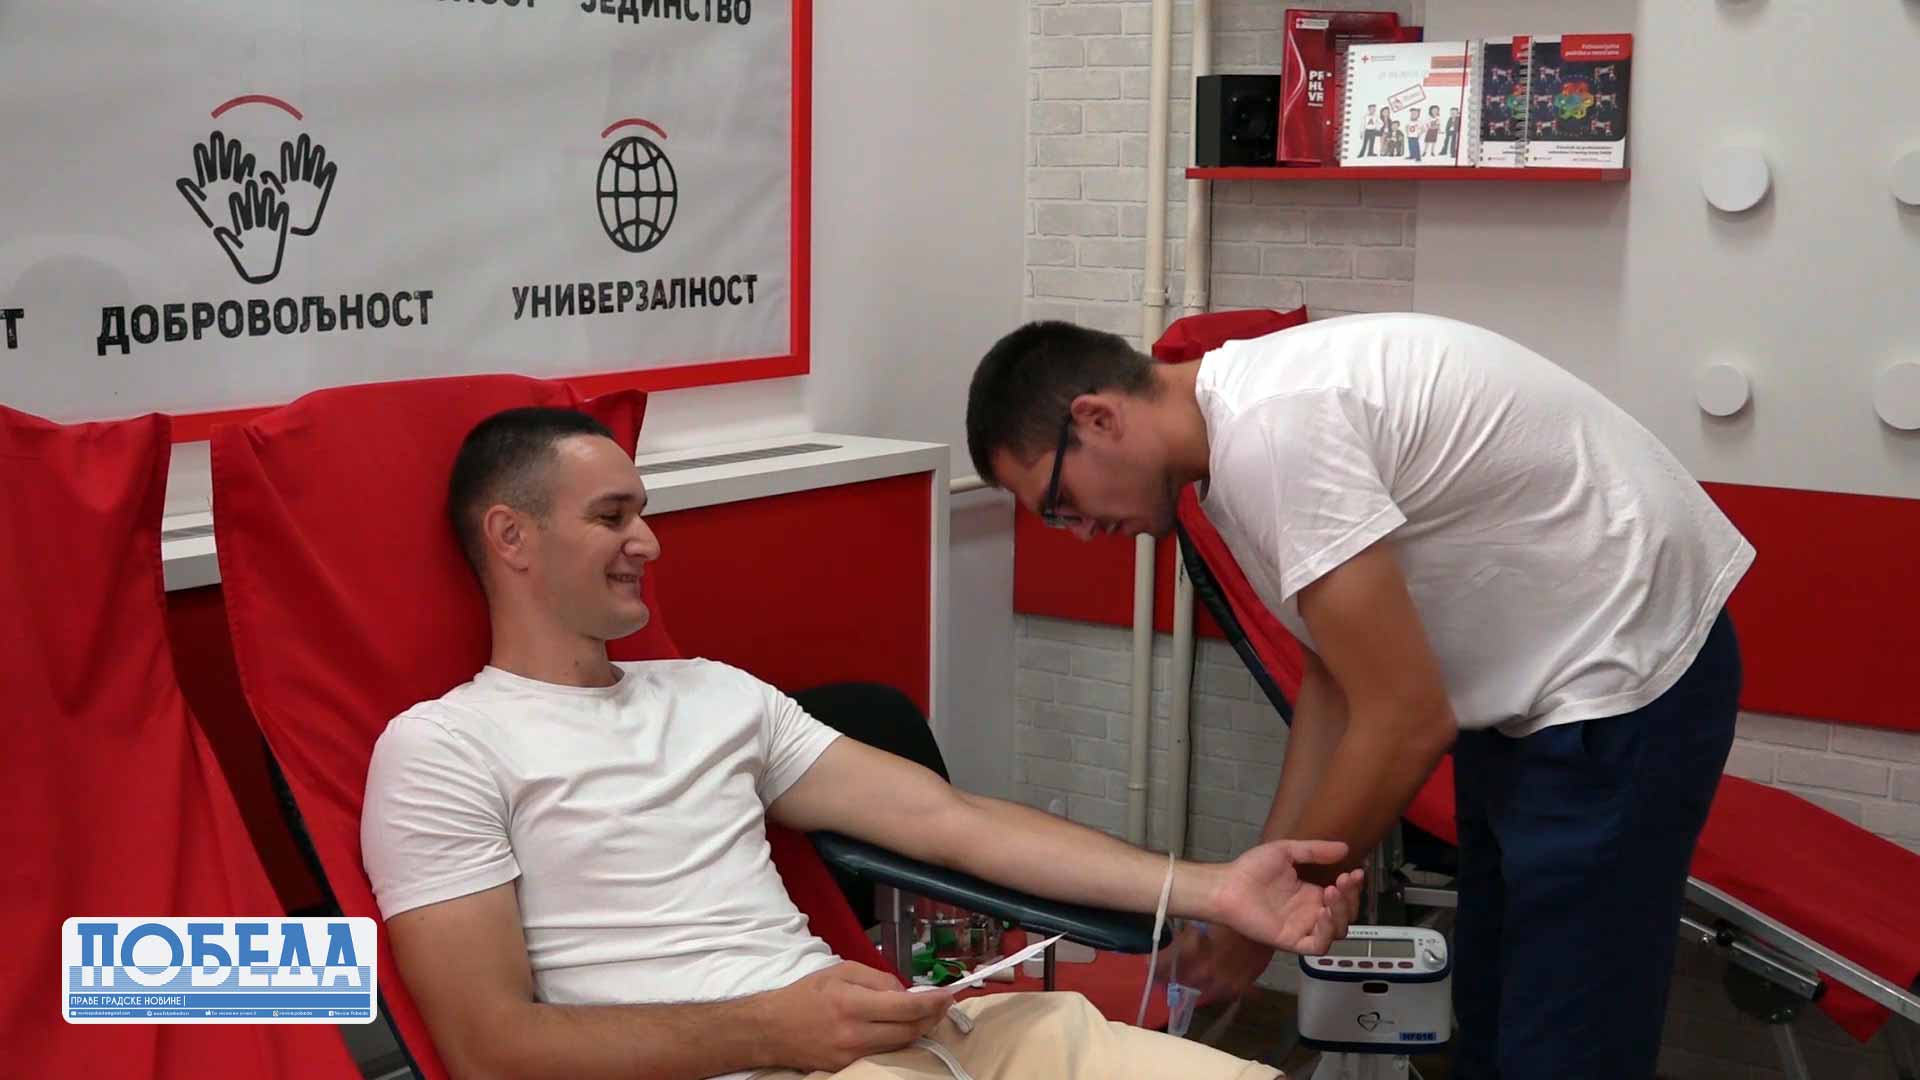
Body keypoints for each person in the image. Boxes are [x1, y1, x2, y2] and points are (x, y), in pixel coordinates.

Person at [362, 407, 1367, 1080]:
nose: (649, 542)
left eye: (645, 513)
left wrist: (1216, 889)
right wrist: (772, 1027)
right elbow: (490, 1046)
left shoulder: (715, 694)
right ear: (511, 537)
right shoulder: (445, 749)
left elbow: (950, 820)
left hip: (918, 1040)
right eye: (611, 516)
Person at [963, 312, 1754, 1079]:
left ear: (1097, 418)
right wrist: (1251, 893)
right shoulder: (1233, 448)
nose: (1078, 532)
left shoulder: (1273, 432)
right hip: (1540, 680)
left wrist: (1262, 925)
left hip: (1622, 670)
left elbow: (1406, 720)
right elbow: (1334, 684)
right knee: (1490, 1004)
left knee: (1563, 1041)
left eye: (1060, 503)